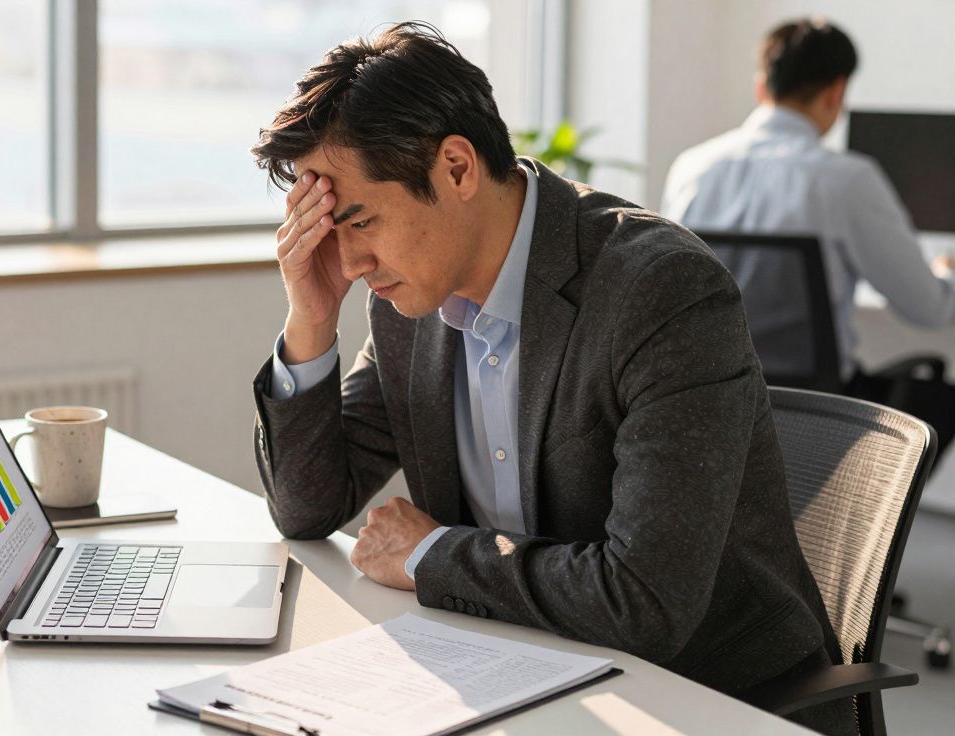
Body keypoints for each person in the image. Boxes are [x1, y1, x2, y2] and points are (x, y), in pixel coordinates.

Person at [249, 21, 852, 734]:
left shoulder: (660, 290)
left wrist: (433, 554)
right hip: (515, 673)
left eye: (359, 221)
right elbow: (308, 508)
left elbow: (645, 604)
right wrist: (310, 319)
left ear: (456, 168)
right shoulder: (413, 301)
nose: (347, 262)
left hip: (705, 697)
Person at [662, 18, 955, 394]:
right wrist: (945, 274)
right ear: (836, 93)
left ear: (761, 87)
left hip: (710, 398)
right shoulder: (846, 179)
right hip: (817, 405)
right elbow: (927, 310)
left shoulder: (692, 168)